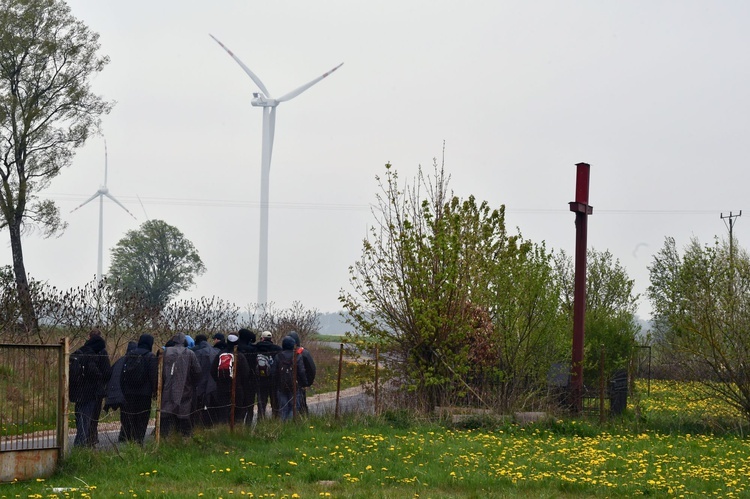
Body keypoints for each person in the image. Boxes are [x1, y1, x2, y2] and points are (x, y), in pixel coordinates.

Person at [70, 330, 111, 448]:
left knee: (80, 418)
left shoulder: (79, 352)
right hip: (93, 392)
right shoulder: (97, 353)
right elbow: (104, 372)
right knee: (90, 419)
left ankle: (85, 441)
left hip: (77, 392)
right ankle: (87, 442)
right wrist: (101, 379)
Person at [160, 332, 201, 438]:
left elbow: (159, 371)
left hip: (167, 387)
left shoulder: (165, 352)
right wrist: (192, 383)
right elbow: (197, 371)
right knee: (184, 413)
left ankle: (165, 437)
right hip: (185, 387)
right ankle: (184, 437)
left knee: (167, 413)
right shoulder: (190, 353)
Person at [120, 334, 158, 444]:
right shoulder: (151, 356)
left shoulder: (129, 355)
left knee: (129, 417)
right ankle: (138, 441)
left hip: (128, 392)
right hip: (144, 394)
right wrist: (154, 391)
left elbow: (122, 374)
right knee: (142, 418)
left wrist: (123, 389)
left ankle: (128, 440)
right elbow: (153, 376)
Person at [104, 341, 136, 442]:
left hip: (119, 394)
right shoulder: (132, 361)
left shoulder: (120, 361)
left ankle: (123, 434)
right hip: (128, 394)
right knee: (130, 416)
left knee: (124, 416)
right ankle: (128, 435)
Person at [272, 336, 307, 421]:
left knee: (283, 409)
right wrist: (305, 383)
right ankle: (290, 425)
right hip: (294, 386)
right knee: (294, 408)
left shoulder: (278, 356)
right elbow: (301, 371)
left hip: (281, 386)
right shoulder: (297, 356)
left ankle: (283, 427)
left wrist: (275, 385)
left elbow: (273, 372)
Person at [191, 334, 218, 428]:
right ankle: (211, 427)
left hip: (199, 384)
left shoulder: (196, 352)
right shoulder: (216, 351)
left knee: (198, 408)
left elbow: (194, 370)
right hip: (214, 384)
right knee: (211, 408)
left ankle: (197, 427)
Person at [288, 331, 316, 415]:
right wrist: (307, 382)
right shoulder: (305, 353)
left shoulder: (285, 353)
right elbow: (312, 369)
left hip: (293, 383)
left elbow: (311, 369)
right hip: (299, 383)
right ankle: (303, 419)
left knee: (298, 404)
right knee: (301, 403)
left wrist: (306, 382)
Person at [255, 330, 281, 419]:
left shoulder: (256, 348)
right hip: (273, 379)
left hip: (260, 379)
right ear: (271, 339)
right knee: (274, 401)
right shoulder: (277, 349)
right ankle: (276, 419)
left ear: (262, 338)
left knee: (261, 402)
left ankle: (260, 419)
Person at [236, 328, 257, 425]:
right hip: (250, 380)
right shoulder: (252, 350)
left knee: (237, 405)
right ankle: (248, 426)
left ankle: (237, 425)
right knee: (249, 406)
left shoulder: (235, 348)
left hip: (236, 381)